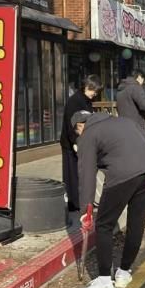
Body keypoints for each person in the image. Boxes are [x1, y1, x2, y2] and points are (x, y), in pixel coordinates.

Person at [71, 110, 145, 288]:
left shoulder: (88, 134)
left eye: (77, 132)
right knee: (136, 223)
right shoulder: (125, 121)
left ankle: (105, 281)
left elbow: (87, 174)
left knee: (104, 225)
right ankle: (124, 272)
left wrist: (86, 209)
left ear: (80, 126)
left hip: (122, 176)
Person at [60, 75, 102, 211]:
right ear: (87, 87)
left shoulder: (86, 100)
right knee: (72, 175)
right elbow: (70, 123)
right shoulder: (75, 101)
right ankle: (74, 203)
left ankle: (85, 201)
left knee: (83, 174)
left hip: (83, 141)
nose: (95, 94)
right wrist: (74, 142)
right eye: (94, 91)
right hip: (72, 143)